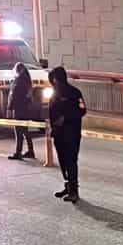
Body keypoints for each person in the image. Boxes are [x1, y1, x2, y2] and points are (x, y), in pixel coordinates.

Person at [47, 66, 87, 202]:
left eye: (54, 79)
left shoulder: (74, 93)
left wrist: (67, 117)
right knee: (62, 161)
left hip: (72, 133)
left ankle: (74, 190)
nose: (53, 82)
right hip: (58, 134)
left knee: (71, 161)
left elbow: (83, 110)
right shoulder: (54, 94)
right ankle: (68, 185)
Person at [5, 62, 39, 161]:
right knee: (25, 130)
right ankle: (30, 151)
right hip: (25, 108)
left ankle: (18, 153)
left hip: (18, 109)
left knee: (19, 131)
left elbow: (13, 95)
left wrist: (9, 108)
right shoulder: (27, 80)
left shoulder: (18, 80)